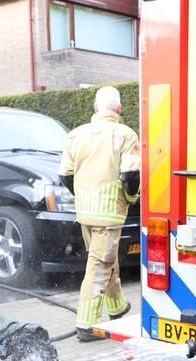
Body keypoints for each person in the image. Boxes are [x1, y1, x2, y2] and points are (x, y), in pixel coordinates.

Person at [58, 86, 140, 342]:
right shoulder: (125, 134)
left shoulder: (75, 135)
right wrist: (130, 198)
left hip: (85, 212)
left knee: (105, 259)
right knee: (99, 266)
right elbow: (131, 175)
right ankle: (86, 324)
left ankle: (117, 306)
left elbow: (65, 175)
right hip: (109, 213)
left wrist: (83, 196)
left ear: (95, 108)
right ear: (120, 109)